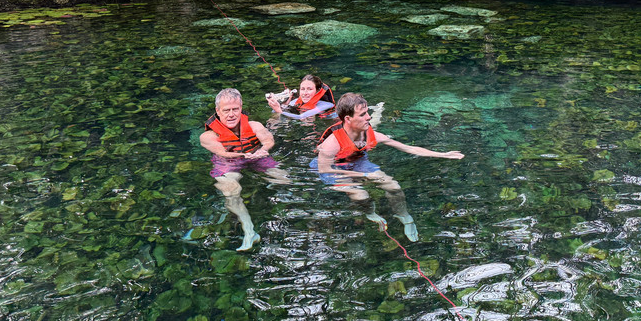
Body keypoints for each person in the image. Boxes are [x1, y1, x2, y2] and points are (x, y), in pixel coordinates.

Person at [312, 92, 464, 242]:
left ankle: (403, 215)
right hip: (333, 168)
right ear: (348, 118)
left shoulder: (370, 133)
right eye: (363, 114)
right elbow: (324, 170)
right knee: (361, 195)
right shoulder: (331, 144)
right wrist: (364, 176)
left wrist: (444, 154)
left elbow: (409, 148)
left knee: (393, 186)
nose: (368, 117)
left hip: (357, 162)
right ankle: (370, 213)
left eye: (368, 112)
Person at [199, 88, 288, 251]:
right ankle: (249, 230)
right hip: (228, 162)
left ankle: (290, 211)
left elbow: (268, 140)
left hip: (256, 155)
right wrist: (245, 155)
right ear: (218, 111)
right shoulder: (208, 137)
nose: (231, 114)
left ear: (241, 108)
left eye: (235, 109)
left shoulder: (254, 125)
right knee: (231, 189)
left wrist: (263, 150)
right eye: (226, 110)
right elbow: (222, 153)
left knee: (283, 177)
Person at [266, 74, 335, 120]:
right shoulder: (296, 101)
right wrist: (284, 105)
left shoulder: (327, 105)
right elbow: (275, 111)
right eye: (302, 89)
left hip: (321, 127)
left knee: (307, 122)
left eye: (309, 89)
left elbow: (301, 117)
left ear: (317, 91)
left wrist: (279, 110)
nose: (305, 93)